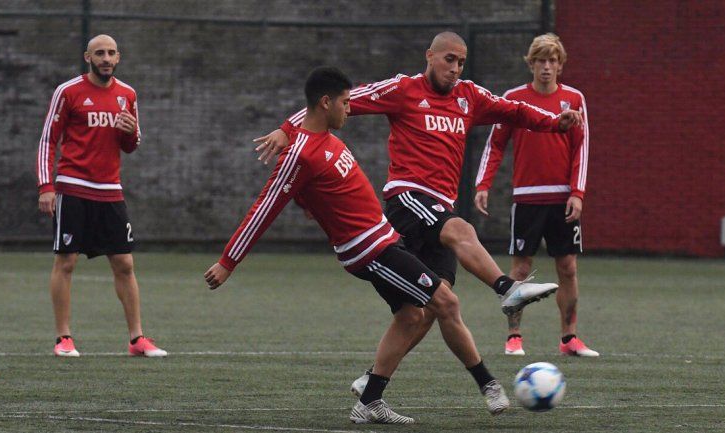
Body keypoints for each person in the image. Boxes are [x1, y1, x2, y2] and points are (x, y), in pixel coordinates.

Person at [204, 66, 550, 424]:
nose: (350, 109)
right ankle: (489, 383)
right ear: (325, 103)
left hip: (384, 240)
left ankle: (369, 399)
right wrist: (228, 261)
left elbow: (315, 193)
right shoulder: (301, 153)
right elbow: (265, 207)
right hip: (371, 251)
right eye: (344, 103)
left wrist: (311, 205)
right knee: (446, 301)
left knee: (412, 315)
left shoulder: (326, 140)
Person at [254, 32, 583, 393]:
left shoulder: (469, 96)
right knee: (461, 232)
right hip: (408, 200)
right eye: (449, 59)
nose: (455, 68)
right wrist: (288, 129)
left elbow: (515, 112)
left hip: (441, 208)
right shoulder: (403, 90)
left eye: (461, 62)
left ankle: (372, 380)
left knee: (430, 309)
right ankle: (507, 289)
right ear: (430, 55)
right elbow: (335, 101)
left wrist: (555, 122)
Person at [36, 34, 166, 358]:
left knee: (124, 263)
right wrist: (46, 187)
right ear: (87, 57)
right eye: (99, 53)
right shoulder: (68, 92)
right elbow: (47, 141)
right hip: (73, 187)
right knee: (66, 261)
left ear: (118, 58)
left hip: (110, 191)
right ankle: (63, 338)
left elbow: (132, 144)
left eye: (110, 53)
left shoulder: (128, 94)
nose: (105, 58)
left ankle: (137, 339)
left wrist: (130, 130)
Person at [474, 33, 598, 357]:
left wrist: (578, 192)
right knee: (519, 270)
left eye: (552, 61)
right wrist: (482, 184)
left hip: (562, 199)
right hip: (527, 198)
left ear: (560, 65)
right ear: (531, 64)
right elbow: (495, 144)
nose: (546, 67)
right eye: (540, 61)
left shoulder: (574, 99)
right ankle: (514, 337)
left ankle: (569, 339)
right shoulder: (514, 98)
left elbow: (581, 148)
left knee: (568, 268)